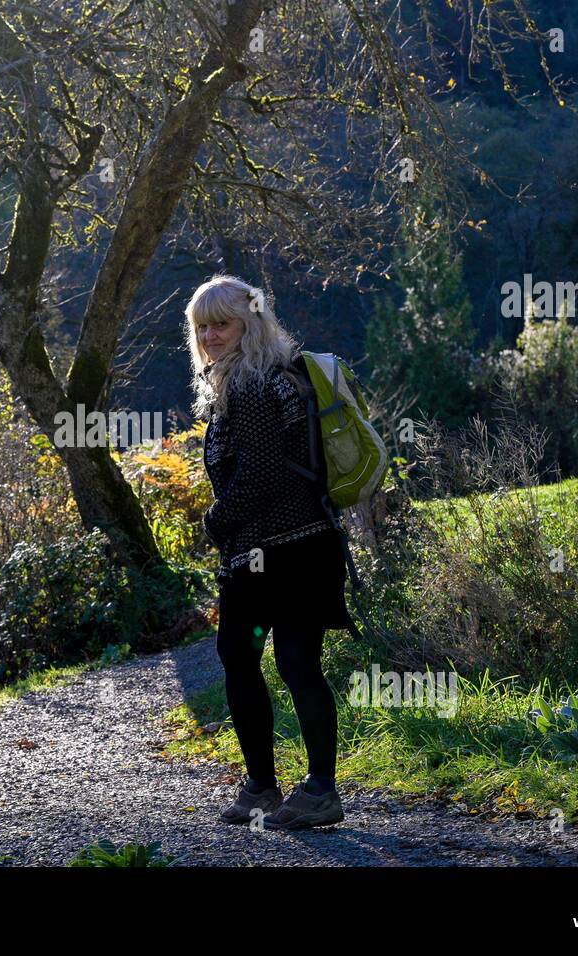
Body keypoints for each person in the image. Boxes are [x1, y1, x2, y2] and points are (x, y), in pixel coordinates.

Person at [186, 273, 352, 830]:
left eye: (221, 323)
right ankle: (301, 789)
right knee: (287, 663)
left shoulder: (253, 385)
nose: (210, 335)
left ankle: (277, 788)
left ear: (249, 323)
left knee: (254, 660)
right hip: (305, 546)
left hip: (274, 554)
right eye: (202, 326)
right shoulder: (276, 375)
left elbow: (260, 475)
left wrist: (214, 520)